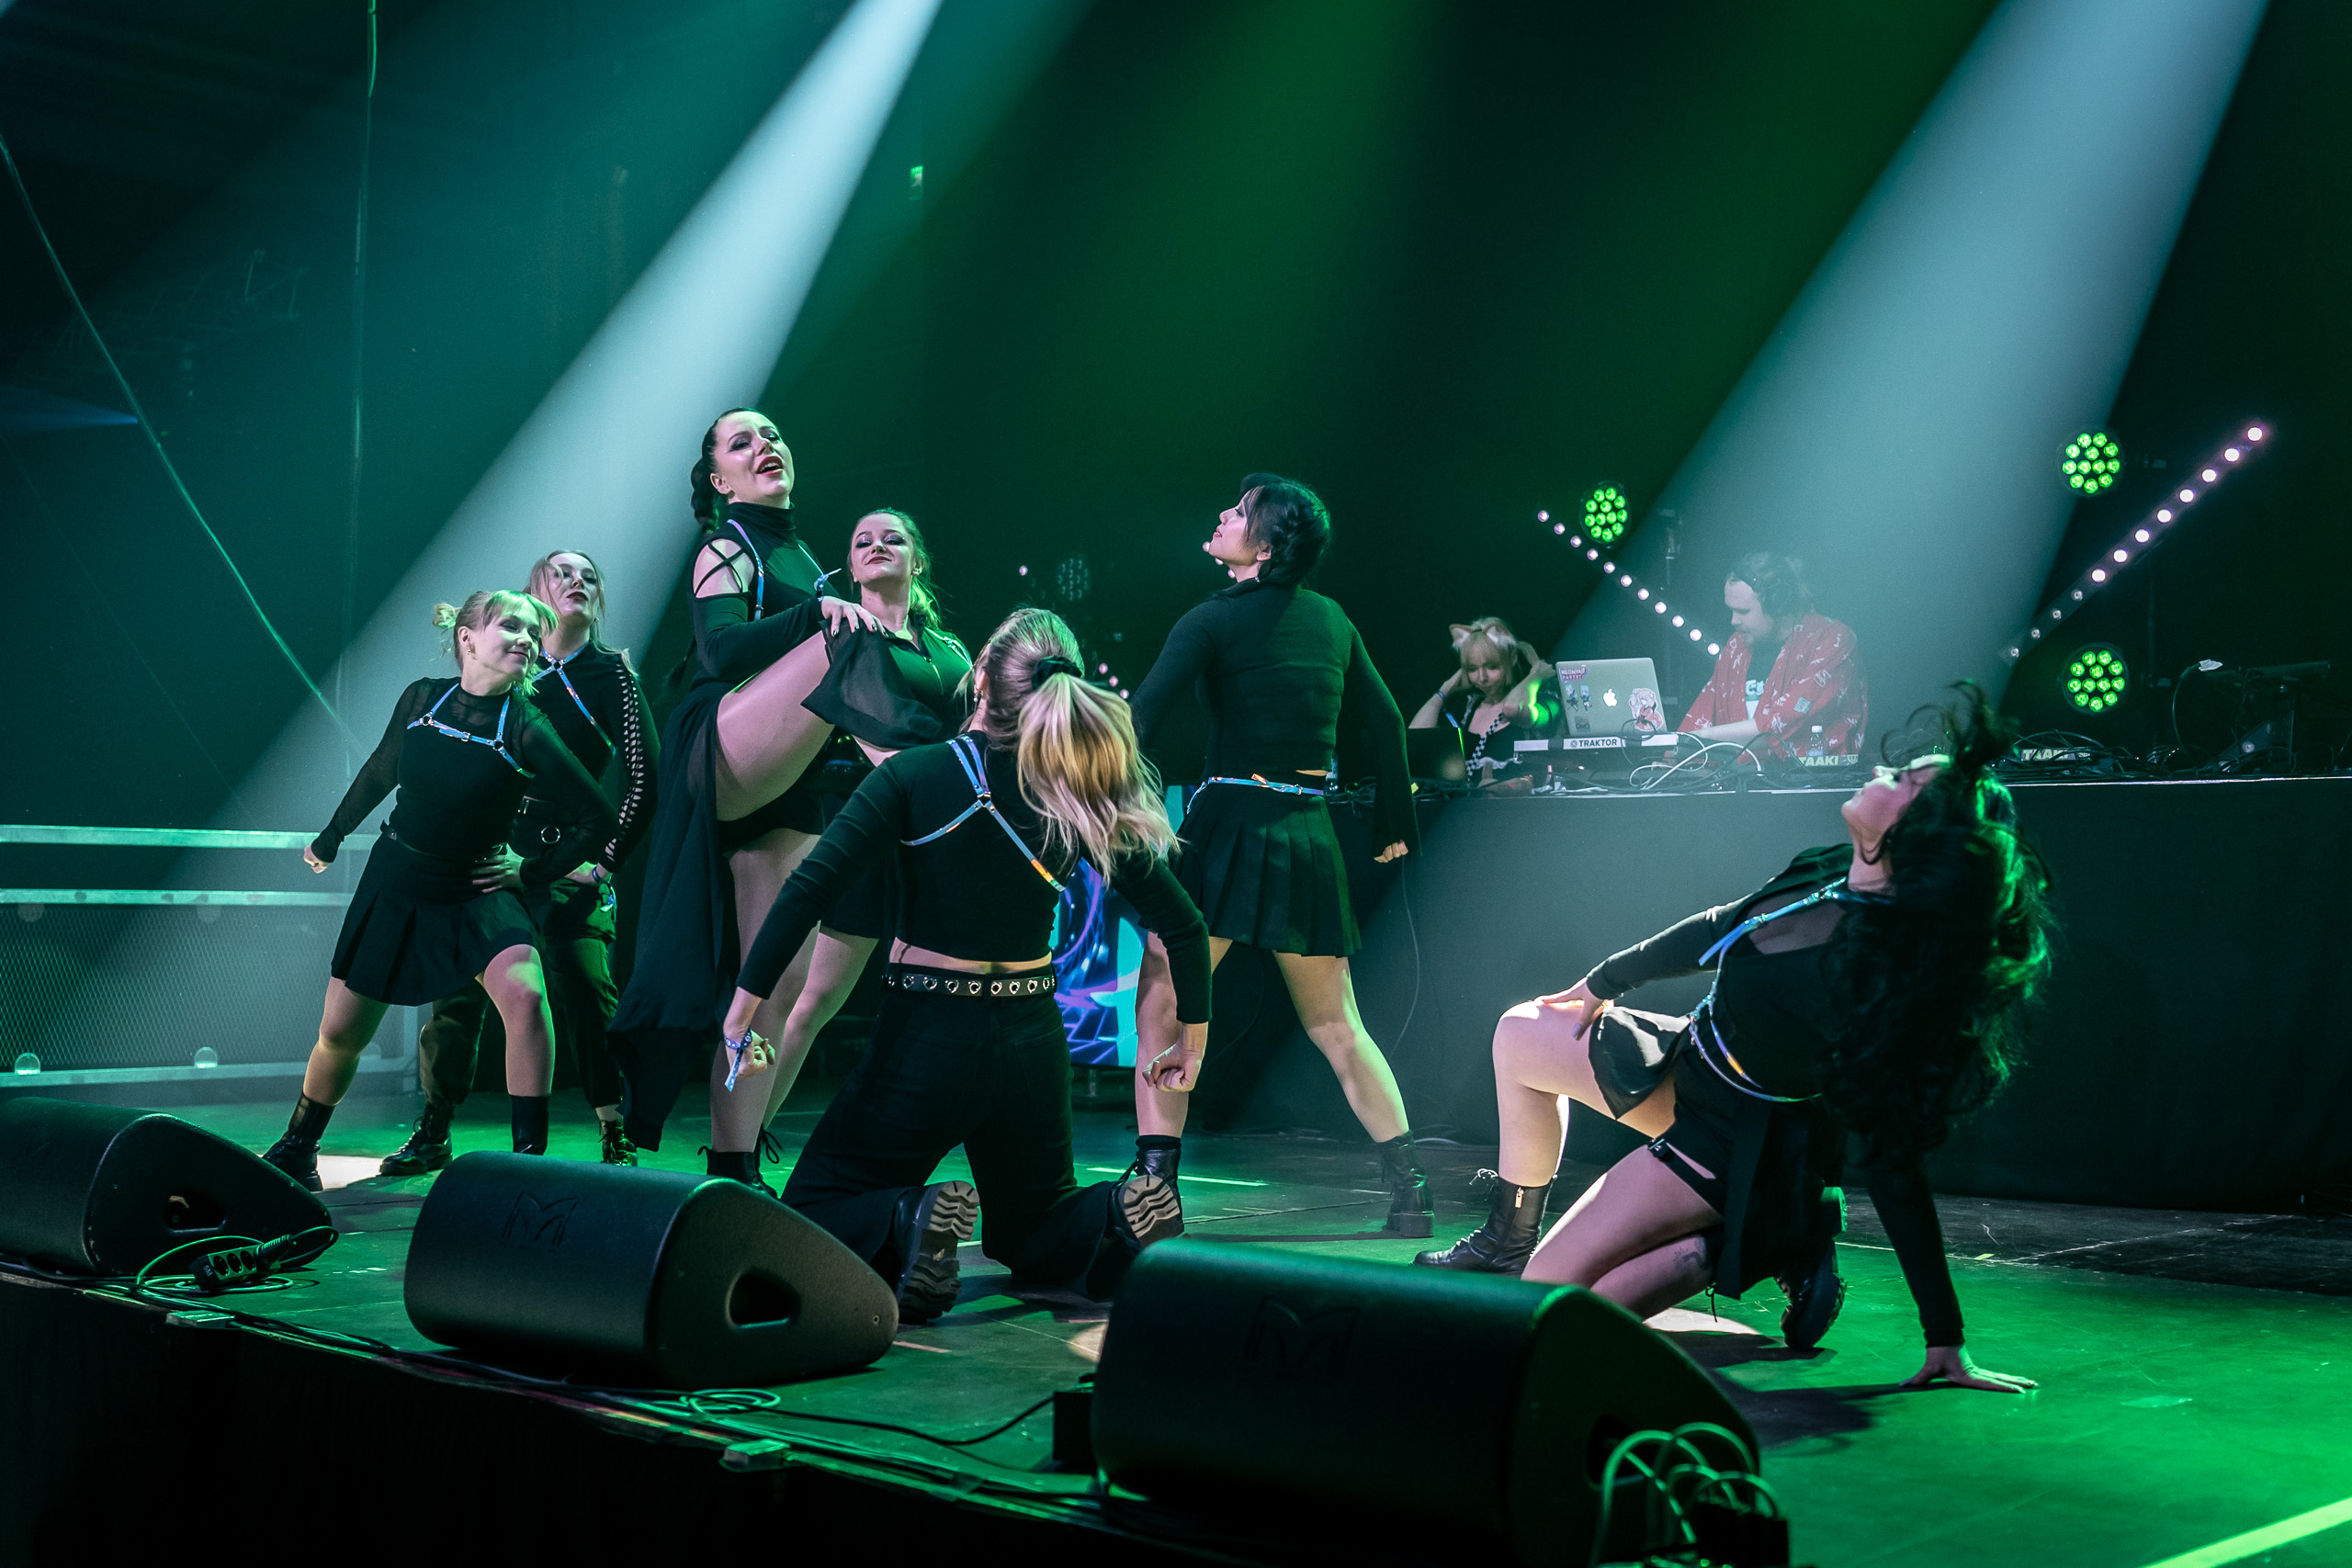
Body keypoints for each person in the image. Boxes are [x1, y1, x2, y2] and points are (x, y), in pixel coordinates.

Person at [1418, 685, 2049, 1394]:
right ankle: (1507, 1240)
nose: (1883, 769)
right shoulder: (1826, 868)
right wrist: (1603, 982)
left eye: (1903, 780)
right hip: (1691, 1063)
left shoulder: (1867, 974)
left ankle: (1740, 1239)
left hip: (1736, 1144)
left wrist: (1944, 1335)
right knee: (1520, 1032)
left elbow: (1893, 1160)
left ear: (1916, 833)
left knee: (1551, 1312)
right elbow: (1721, 926)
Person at [721, 608, 1207, 1321]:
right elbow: (1183, 924)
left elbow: (807, 890)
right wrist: (1190, 1042)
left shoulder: (913, 774)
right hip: (1032, 1041)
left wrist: (743, 1010)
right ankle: (1115, 1213)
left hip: (929, 1036)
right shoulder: (1073, 793)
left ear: (980, 677)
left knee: (812, 1210)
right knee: (1034, 1224)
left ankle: (907, 1217)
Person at [1126, 475, 1430, 1235]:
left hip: (1229, 824)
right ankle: (1412, 1192)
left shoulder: (1210, 619)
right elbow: (1389, 719)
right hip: (1306, 832)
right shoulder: (1332, 619)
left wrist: (1101, 794)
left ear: (1262, 547)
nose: (1222, 514)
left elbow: (1140, 715)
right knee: (1337, 1024)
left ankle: (1156, 1185)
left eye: (1238, 512)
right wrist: (1393, 822)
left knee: (1161, 996)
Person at [263, 592, 619, 1189]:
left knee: (526, 997)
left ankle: (528, 1165)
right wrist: (332, 835)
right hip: (399, 879)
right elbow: (382, 767)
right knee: (341, 1032)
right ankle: (299, 1147)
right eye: (512, 626)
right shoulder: (422, 699)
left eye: (534, 634)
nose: (527, 640)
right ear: (467, 637)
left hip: (475, 888)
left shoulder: (526, 724)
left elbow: (598, 817)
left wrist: (532, 871)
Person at [607, 411, 888, 1160]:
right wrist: (815, 616)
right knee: (847, 635)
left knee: (777, 987)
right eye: (742, 442)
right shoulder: (725, 545)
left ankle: (733, 1167)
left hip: (784, 784)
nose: (764, 445)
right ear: (719, 480)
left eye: (772, 435)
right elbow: (722, 649)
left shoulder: (809, 559)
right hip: (721, 744)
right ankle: (934, 781)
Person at [702, 508, 973, 1188]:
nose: (877, 546)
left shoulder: (952, 651)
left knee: (846, 1002)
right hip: (854, 821)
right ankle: (740, 1149)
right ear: (849, 567)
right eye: (862, 541)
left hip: (926, 833)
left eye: (893, 538)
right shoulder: (842, 633)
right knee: (796, 999)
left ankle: (757, 1144)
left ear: (918, 560)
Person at [381, 551, 658, 1174]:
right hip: (491, 853)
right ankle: (434, 1127)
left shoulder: (612, 674)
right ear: (531, 590)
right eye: (560, 572)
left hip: (566, 857)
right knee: (456, 990)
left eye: (589, 576)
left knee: (585, 987)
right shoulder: (506, 664)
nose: (576, 582)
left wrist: (601, 864)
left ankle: (614, 1128)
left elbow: (645, 781)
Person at [1678, 550, 1866, 761]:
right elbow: (1702, 714)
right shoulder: (1735, 648)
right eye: (1731, 610)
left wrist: (1699, 738)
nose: (1733, 621)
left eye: (1743, 611)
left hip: (1810, 780)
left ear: (1777, 604)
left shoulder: (1833, 639)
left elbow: (1786, 719)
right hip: (1740, 779)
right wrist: (1671, 755)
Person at [1408, 616, 1557, 787]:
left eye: (1492, 667)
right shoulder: (1469, 707)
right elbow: (1417, 737)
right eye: (1472, 669)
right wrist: (1445, 688)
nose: (1482, 678)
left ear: (1512, 658)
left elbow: (1513, 709)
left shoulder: (1540, 701)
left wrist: (1534, 677)